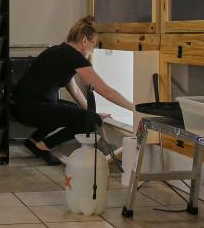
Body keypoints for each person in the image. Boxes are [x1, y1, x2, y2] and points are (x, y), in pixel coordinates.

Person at [12, 16, 135, 166]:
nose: (93, 50)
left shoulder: (59, 51)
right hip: (31, 109)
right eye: (93, 44)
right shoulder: (75, 58)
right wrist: (135, 108)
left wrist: (91, 111)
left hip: (22, 106)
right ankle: (44, 145)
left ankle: (34, 141)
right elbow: (105, 90)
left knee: (78, 112)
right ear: (84, 41)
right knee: (90, 121)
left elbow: (75, 90)